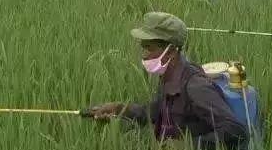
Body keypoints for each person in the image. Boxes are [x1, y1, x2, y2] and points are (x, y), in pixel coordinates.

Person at [81, 12, 248, 150]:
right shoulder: (168, 77)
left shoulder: (195, 87)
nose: (144, 54)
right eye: (143, 47)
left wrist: (187, 145)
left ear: (171, 51)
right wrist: (118, 109)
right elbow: (155, 112)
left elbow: (236, 130)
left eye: (150, 48)